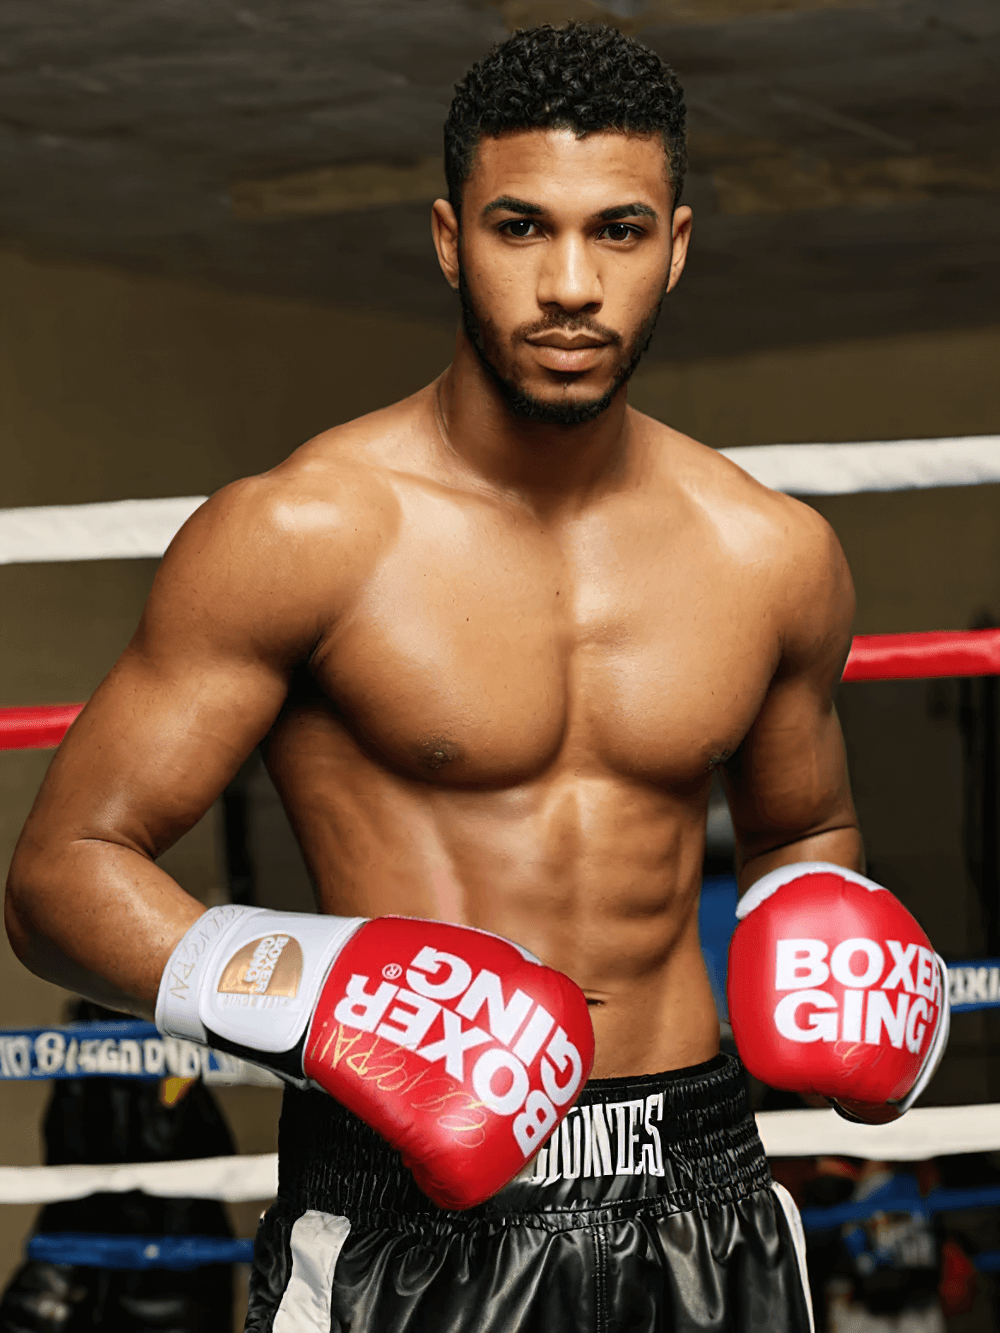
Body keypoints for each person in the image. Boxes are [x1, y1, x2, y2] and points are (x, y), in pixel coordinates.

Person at [4, 22, 945, 1333]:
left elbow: (804, 828)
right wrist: (323, 995)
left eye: (618, 231)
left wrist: (835, 934)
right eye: (522, 228)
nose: (571, 284)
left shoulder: (773, 554)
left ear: (676, 246)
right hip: (409, 1220)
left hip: (704, 1194)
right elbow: (58, 878)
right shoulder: (304, 533)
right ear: (451, 239)